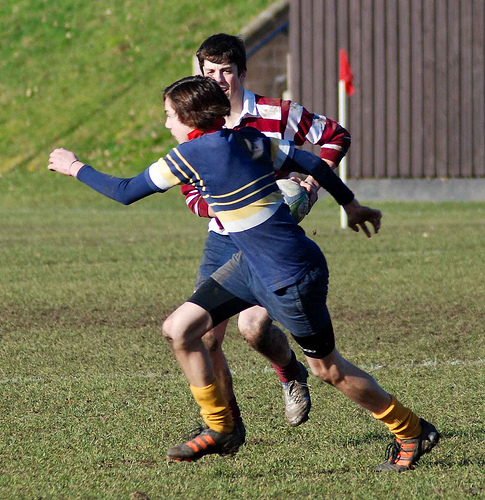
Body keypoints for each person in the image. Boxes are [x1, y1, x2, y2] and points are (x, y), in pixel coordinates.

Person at [48, 75, 439, 471]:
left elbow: (126, 191)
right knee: (180, 329)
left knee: (329, 369)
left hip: (291, 276)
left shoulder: (192, 154)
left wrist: (74, 166)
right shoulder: (249, 140)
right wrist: (350, 205)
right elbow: (308, 162)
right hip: (250, 266)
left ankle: (411, 430)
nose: (166, 124)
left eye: (168, 115)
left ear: (189, 118)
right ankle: (222, 428)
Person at [181, 33, 353, 430]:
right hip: (222, 237)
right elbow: (190, 191)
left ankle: (290, 372)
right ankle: (225, 425)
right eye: (209, 72)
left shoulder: (277, 113)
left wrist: (312, 184)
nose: (218, 80)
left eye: (226, 71)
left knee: (254, 328)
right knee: (204, 335)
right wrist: (217, 206)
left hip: (270, 240)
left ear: (242, 72)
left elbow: (335, 136)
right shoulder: (197, 123)